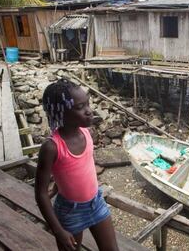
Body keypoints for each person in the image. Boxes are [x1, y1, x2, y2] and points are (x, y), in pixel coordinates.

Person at [35, 79, 119, 251]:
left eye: (87, 104)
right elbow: (41, 193)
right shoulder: (51, 147)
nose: (89, 111)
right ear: (61, 113)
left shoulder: (86, 133)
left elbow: (75, 168)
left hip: (96, 202)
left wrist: (61, 184)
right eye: (80, 107)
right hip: (70, 211)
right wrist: (58, 230)